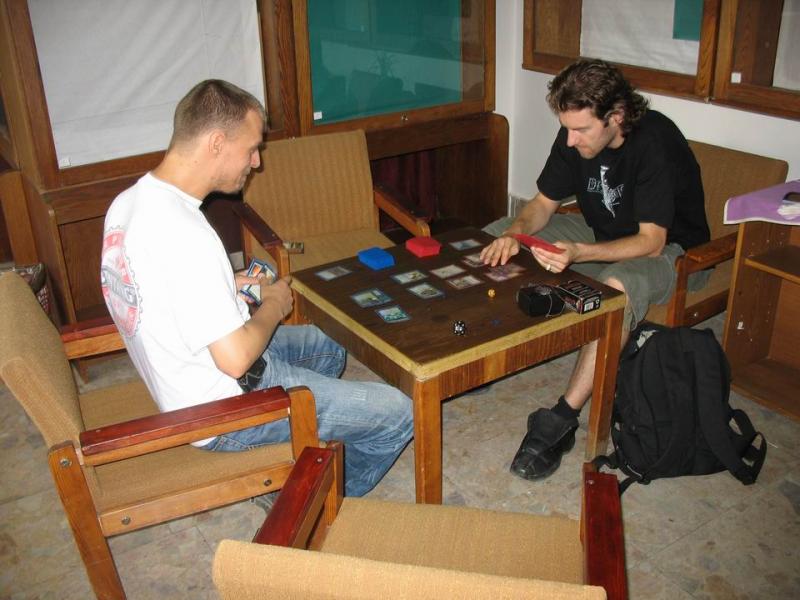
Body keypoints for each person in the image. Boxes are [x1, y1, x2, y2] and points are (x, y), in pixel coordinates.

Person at [100, 80, 413, 498]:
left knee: (331, 345)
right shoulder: (185, 232)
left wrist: (224, 283)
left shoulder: (127, 204)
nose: (257, 161)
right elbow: (235, 360)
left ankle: (301, 439)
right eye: (251, 148)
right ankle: (316, 501)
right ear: (216, 142)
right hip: (224, 412)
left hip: (184, 385)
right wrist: (274, 305)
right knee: (400, 413)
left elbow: (152, 288)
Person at [481, 59, 710, 481]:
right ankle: (483, 351)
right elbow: (543, 204)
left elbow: (651, 241)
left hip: (674, 252)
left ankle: (562, 418)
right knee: (494, 236)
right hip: (603, 231)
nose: (570, 140)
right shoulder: (574, 133)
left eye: (581, 130)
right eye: (566, 128)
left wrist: (579, 253)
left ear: (616, 116)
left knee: (615, 286)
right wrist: (515, 234)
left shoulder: (655, 142)